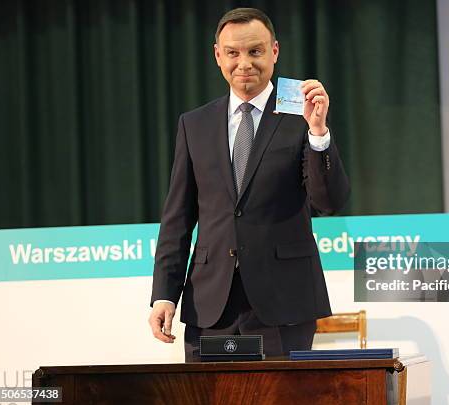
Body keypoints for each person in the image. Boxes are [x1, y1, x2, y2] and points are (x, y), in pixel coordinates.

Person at [148, 7, 349, 361]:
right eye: (233, 53)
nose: (244, 63)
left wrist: (318, 133)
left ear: (274, 51)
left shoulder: (301, 115)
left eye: (255, 51)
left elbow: (329, 201)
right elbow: (177, 219)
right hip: (210, 306)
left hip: (283, 304)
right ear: (217, 56)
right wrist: (164, 295)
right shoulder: (194, 125)